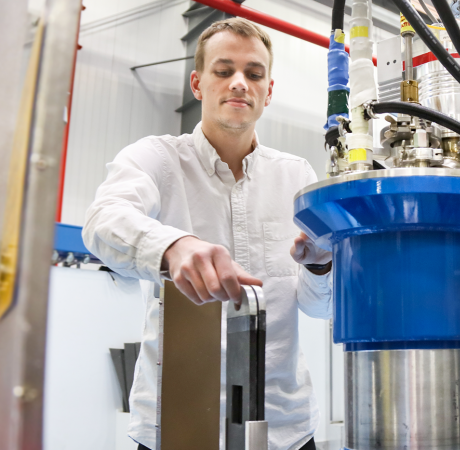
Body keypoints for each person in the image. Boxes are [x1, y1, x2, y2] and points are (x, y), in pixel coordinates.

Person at [83, 17, 332, 450]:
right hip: (179, 424)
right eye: (224, 70)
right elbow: (103, 221)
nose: (239, 83)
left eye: (254, 74)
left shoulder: (296, 175)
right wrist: (173, 246)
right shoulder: (156, 159)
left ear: (268, 91)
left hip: (284, 429)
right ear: (198, 84)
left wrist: (322, 265)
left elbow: (317, 306)